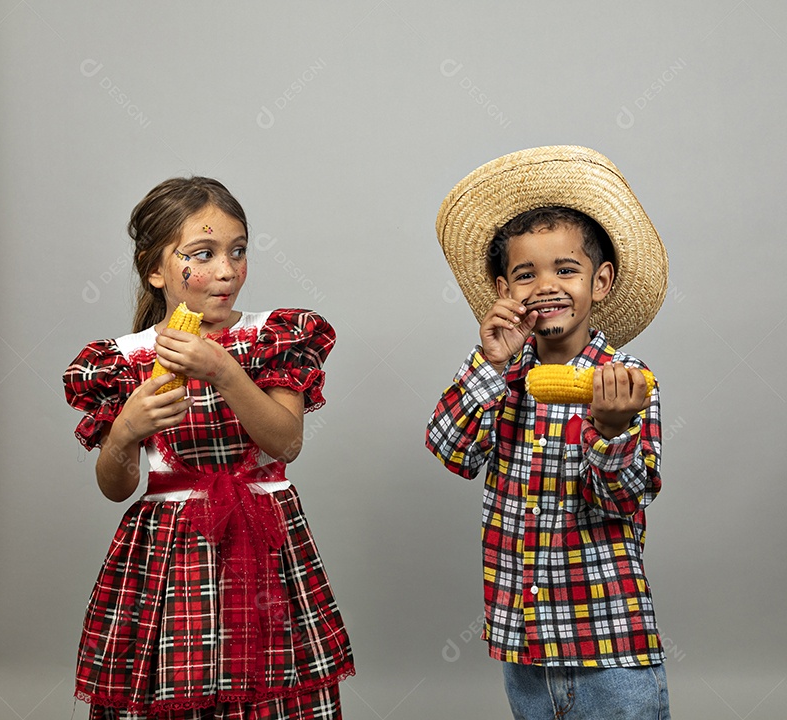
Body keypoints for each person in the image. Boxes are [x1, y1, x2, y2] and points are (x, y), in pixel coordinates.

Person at [64, 176, 354, 720]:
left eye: (238, 251)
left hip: (266, 544)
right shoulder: (123, 361)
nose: (227, 270)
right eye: (203, 253)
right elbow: (115, 487)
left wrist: (221, 368)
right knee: (174, 689)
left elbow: (285, 440)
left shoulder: (275, 337)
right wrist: (125, 429)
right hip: (171, 551)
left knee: (274, 682)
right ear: (156, 270)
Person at [426, 146, 671, 719]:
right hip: (525, 641)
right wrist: (487, 365)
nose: (547, 286)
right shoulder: (500, 375)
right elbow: (450, 450)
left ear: (601, 281)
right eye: (525, 274)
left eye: (566, 270)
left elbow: (625, 499)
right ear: (501, 290)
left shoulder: (628, 383)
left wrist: (611, 434)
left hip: (607, 643)